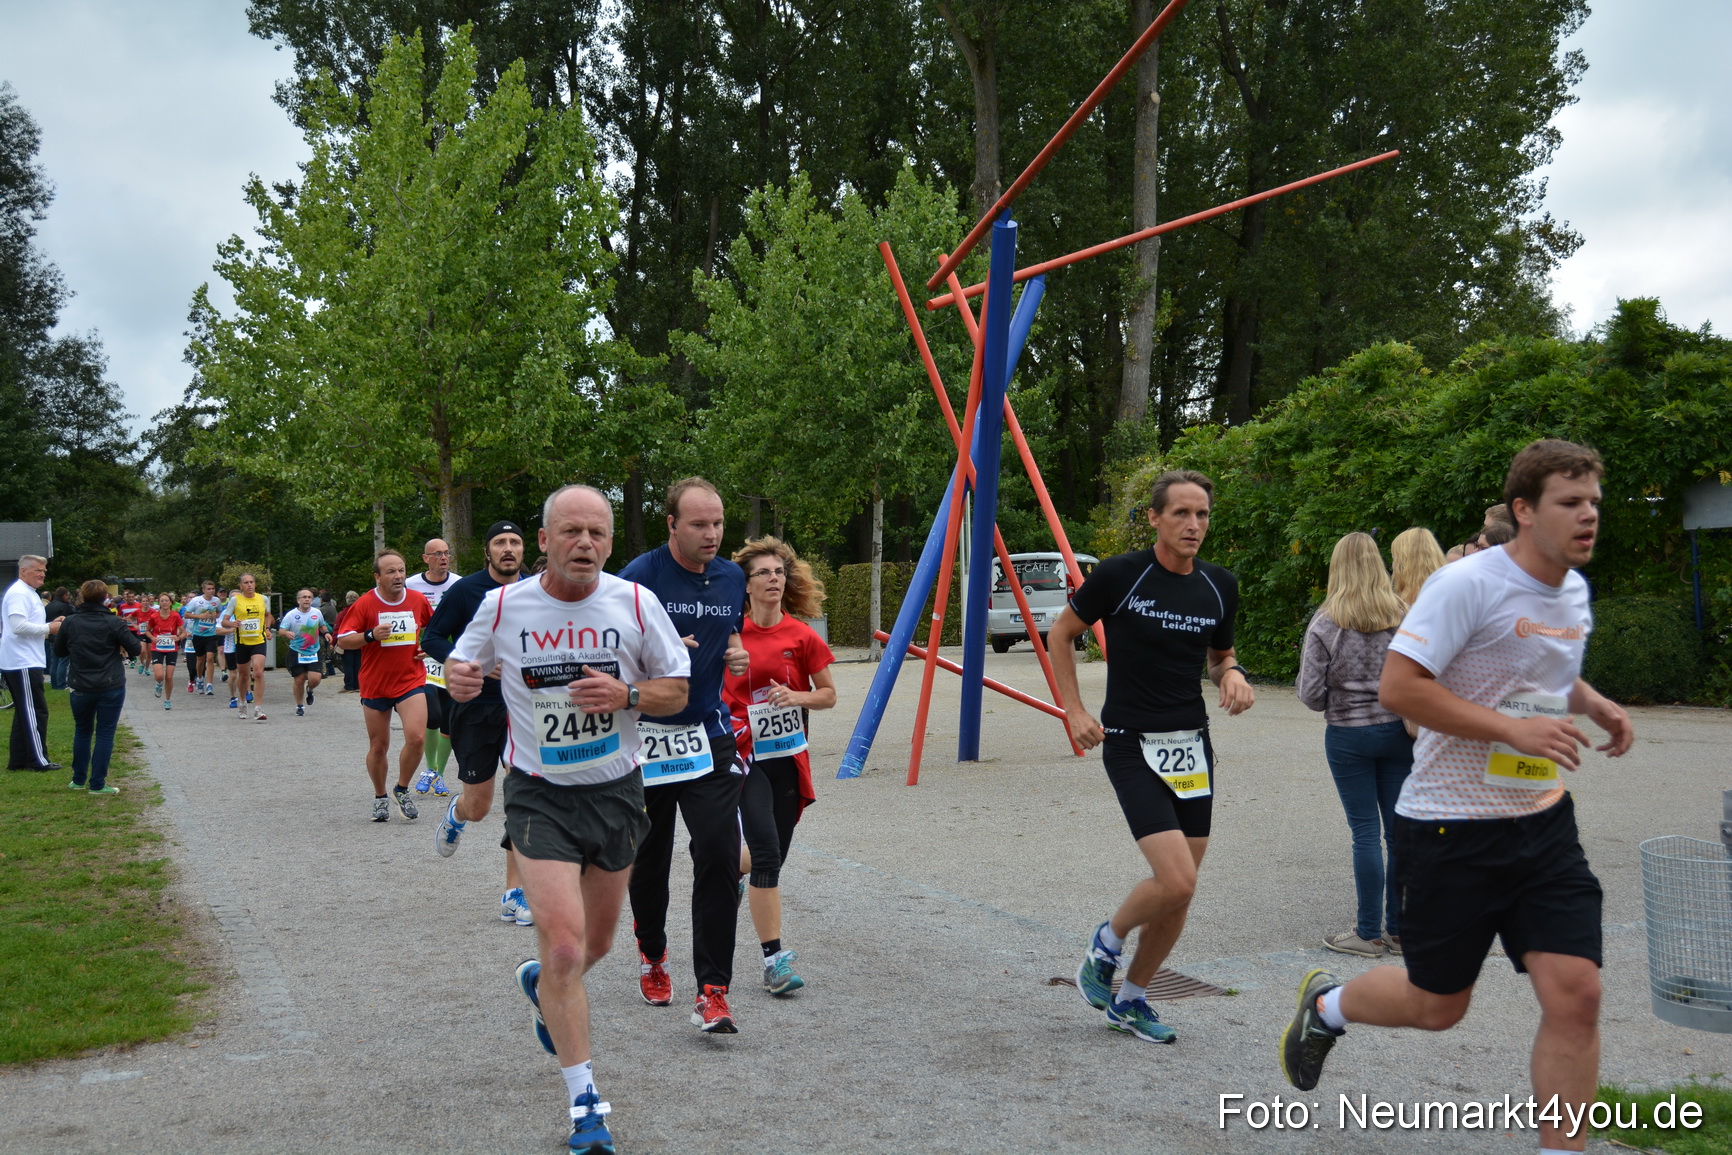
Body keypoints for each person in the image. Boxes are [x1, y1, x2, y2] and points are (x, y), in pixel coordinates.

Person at [1279, 440, 1634, 1155]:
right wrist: (1513, 729)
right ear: (1525, 511)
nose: (1588, 514)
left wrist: (1593, 701)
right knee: (1437, 1005)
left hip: (1542, 824)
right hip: (1449, 825)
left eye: (1594, 500)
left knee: (1579, 993)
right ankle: (1328, 1007)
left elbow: (1544, 669)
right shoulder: (1465, 583)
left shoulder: (1570, 590)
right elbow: (1400, 688)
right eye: (1571, 502)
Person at [445, 484, 690, 1155]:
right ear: (545, 540)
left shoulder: (637, 602)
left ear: (610, 543)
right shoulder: (502, 605)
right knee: (561, 945)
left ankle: (544, 988)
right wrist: (460, 678)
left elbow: (678, 688)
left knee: (595, 947)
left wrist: (628, 693)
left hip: (615, 792)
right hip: (539, 792)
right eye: (572, 530)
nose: (585, 542)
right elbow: (461, 663)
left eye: (598, 532)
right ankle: (586, 1101)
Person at [1048, 470, 1255, 1045]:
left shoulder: (1219, 586)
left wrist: (1232, 674)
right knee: (1176, 878)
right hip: (1131, 744)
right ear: (1155, 518)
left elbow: (1220, 657)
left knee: (1181, 890)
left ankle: (1133, 999)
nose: (1194, 525)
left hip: (1192, 749)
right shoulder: (1120, 574)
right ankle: (1105, 945)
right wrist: (1074, 709)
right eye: (1182, 514)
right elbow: (1060, 634)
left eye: (1203, 515)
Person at [621, 477, 752, 1034]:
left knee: (721, 853)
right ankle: (652, 953)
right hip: (645, 736)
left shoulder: (731, 575)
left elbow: (733, 631)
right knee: (649, 860)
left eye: (718, 522)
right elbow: (607, 654)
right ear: (670, 524)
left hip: (707, 734)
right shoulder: (638, 577)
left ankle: (713, 990)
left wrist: (737, 650)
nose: (712, 534)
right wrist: (658, 653)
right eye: (699, 524)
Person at [724, 536, 836, 997]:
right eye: (764, 573)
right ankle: (775, 961)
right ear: (746, 586)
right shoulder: (730, 634)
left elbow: (828, 694)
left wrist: (797, 696)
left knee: (770, 858)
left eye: (779, 572)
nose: (774, 579)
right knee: (768, 852)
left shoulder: (802, 635)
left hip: (787, 758)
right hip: (744, 757)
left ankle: (726, 867)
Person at [1297, 533, 1413, 958]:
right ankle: (1399, 930)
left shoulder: (1327, 622)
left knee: (1364, 832)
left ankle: (1367, 933)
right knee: (1398, 834)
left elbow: (1310, 693)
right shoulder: (1403, 615)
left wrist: (1339, 698)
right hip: (1399, 731)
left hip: (1348, 735)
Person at [421, 520, 535, 924]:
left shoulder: (537, 592)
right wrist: (472, 665)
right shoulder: (466, 591)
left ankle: (514, 894)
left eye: (515, 542)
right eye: (500, 543)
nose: (508, 549)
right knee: (480, 806)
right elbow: (431, 639)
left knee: (527, 798)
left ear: (524, 550)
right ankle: (457, 813)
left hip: (525, 708)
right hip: (476, 706)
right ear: (488, 551)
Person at [336, 550, 433, 822]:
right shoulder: (366, 604)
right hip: (376, 683)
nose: (398, 576)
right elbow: (343, 640)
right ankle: (380, 797)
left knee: (416, 737)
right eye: (391, 571)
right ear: (377, 577)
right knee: (379, 746)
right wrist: (370, 635)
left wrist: (428, 644)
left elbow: (435, 626)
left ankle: (401, 789)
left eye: (401, 570)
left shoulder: (416, 599)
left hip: (410, 679)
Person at [54, 579, 140, 793]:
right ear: (105, 598)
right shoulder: (114, 623)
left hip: (80, 683)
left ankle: (79, 779)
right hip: (110, 684)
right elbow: (136, 648)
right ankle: (97, 783)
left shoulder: (70, 622)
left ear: (82, 597)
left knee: (82, 731)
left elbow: (59, 652)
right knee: (104, 733)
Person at [407, 537, 459, 797]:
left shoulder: (460, 584)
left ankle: (438, 775)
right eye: (437, 554)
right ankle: (430, 767)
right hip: (422, 661)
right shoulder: (410, 585)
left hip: (450, 659)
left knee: (449, 721)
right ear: (425, 558)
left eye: (446, 553)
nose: (443, 557)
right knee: (433, 715)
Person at [3, 555, 63, 771]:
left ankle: (18, 761)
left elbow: (27, 626)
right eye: (38, 570)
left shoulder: (28, 593)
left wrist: (49, 625)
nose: (42, 574)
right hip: (22, 661)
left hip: (25, 659)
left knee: (24, 712)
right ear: (23, 571)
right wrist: (49, 628)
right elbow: (18, 626)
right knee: (35, 711)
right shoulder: (20, 593)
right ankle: (38, 760)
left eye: (44, 570)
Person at [219, 574, 275, 721]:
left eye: (252, 582)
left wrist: (267, 629)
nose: (249, 585)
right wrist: (233, 623)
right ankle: (243, 702)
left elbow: (268, 615)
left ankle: (258, 708)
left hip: (258, 640)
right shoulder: (235, 600)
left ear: (255, 584)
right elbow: (225, 622)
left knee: (258, 673)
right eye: (246, 583)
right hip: (242, 642)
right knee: (243, 676)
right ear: (241, 586)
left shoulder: (263, 599)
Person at [277, 588, 330, 716]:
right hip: (297, 650)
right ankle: (300, 706)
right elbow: (281, 630)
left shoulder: (317, 613)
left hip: (313, 650)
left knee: (316, 678)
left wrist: (326, 633)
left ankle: (310, 689)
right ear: (298, 600)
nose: (307, 599)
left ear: (312, 600)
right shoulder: (291, 615)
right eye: (304, 597)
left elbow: (322, 625)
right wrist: (287, 633)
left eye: (309, 597)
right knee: (299, 679)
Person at [139, 592, 186, 710]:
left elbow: (184, 632)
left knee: (169, 677)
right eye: (162, 601)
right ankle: (159, 684)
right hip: (157, 648)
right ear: (158, 603)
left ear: (170, 603)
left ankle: (167, 700)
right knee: (160, 675)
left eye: (166, 600)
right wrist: (152, 638)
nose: (164, 603)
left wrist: (178, 637)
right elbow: (147, 630)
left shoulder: (175, 616)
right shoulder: (154, 616)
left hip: (171, 648)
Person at [183, 579, 225, 696]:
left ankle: (209, 684)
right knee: (200, 659)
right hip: (198, 634)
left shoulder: (216, 601)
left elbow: (219, 612)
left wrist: (214, 616)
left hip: (211, 634)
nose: (211, 591)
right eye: (209, 589)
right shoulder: (196, 601)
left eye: (213, 589)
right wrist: (200, 616)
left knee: (210, 658)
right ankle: (200, 679)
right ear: (203, 590)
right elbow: (186, 614)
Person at [1389, 527, 1445, 608]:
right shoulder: (1447, 587)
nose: (1393, 564)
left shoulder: (1408, 602)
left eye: (1394, 558)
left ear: (1404, 561)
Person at [44, 586, 72, 690]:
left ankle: (54, 684)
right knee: (63, 661)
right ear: (64, 595)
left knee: (54, 661)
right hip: (62, 636)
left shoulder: (48, 606)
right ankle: (61, 684)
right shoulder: (66, 607)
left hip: (51, 635)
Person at [340, 590, 362, 692]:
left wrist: (333, 642)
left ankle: (349, 685)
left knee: (348, 664)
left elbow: (337, 628)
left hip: (347, 641)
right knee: (358, 663)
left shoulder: (343, 613)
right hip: (359, 641)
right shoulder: (361, 611)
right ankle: (357, 684)